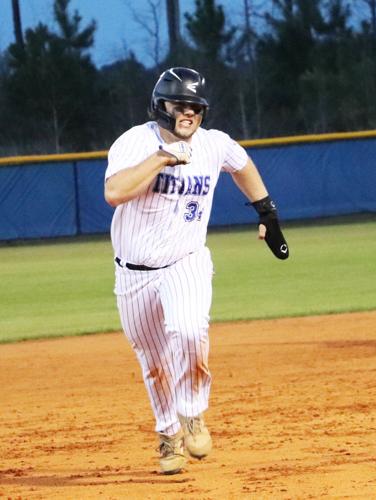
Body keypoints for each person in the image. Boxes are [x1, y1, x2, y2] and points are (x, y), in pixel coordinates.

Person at [104, 67, 289, 474]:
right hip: (133, 273)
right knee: (153, 362)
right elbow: (115, 193)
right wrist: (161, 158)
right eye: (179, 105)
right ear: (161, 106)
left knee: (189, 329)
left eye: (195, 107)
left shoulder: (214, 144)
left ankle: (191, 412)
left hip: (186, 261)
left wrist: (266, 210)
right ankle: (168, 436)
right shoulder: (136, 142)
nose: (188, 113)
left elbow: (242, 165)